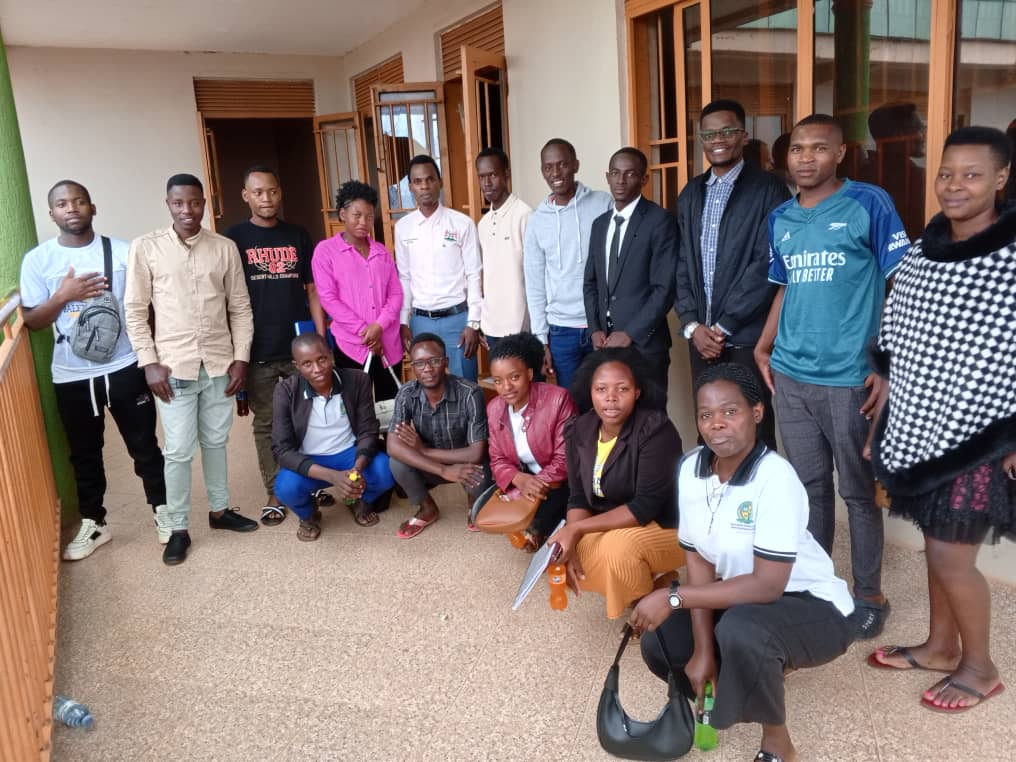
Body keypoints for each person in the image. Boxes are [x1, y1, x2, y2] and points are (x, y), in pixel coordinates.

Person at [633, 363, 854, 762]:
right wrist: (702, 650)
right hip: (744, 602)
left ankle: (777, 742)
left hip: (814, 606)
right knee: (661, 641)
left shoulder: (776, 479)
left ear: (757, 412)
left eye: (730, 411)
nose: (716, 424)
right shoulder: (690, 469)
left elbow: (767, 586)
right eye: (706, 414)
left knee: (742, 631)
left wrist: (675, 596)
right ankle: (716, 697)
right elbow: (698, 557)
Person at [865, 126, 1014, 713]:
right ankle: (941, 646)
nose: (954, 186)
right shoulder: (923, 254)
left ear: (1002, 178)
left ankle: (981, 667)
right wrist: (882, 427)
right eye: (947, 173)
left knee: (953, 556)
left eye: (972, 175)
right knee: (936, 547)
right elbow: (899, 343)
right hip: (920, 425)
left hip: (982, 437)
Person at [754, 114, 909, 638]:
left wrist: (887, 365)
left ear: (841, 153)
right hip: (791, 376)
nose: (805, 158)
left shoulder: (869, 203)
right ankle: (819, 585)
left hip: (849, 378)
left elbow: (902, 286)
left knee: (858, 494)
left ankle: (868, 594)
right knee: (810, 491)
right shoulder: (781, 218)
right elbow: (785, 286)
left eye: (819, 148)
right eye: (798, 148)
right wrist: (763, 344)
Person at [20, 180, 167, 560]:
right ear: (51, 212)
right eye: (62, 203)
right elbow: (34, 321)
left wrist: (150, 355)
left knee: (145, 446)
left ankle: (165, 512)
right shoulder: (38, 260)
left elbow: (144, 308)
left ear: (93, 208)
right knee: (85, 453)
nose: (71, 208)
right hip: (70, 374)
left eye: (79, 201)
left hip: (123, 364)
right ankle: (95, 523)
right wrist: (63, 296)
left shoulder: (121, 252)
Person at [124, 173, 257, 565]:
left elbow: (240, 307)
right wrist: (148, 363)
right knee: (179, 451)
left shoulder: (224, 248)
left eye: (195, 202)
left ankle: (220, 511)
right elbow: (134, 311)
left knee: (216, 442)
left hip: (219, 364)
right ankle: (178, 528)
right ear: (168, 204)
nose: (188, 210)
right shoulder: (146, 248)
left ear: (205, 202)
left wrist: (241, 358)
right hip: (172, 368)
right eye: (179, 203)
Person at [675, 99, 790, 451]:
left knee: (753, 424)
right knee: (710, 423)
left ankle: (756, 501)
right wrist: (693, 326)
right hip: (700, 340)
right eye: (709, 133)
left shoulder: (768, 189)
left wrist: (723, 326)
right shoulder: (691, 192)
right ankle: (715, 498)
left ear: (743, 135)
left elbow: (766, 266)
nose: (718, 139)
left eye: (727, 131)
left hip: (744, 337)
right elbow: (681, 263)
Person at [547, 347, 684, 619]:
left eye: (622, 389)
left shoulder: (656, 430)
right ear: (590, 392)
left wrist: (577, 529)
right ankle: (649, 587)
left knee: (615, 550)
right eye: (601, 389)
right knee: (565, 549)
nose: (610, 398)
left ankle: (646, 597)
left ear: (637, 392)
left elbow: (644, 507)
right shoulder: (578, 430)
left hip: (665, 524)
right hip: (610, 523)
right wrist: (573, 535)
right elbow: (577, 497)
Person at [224, 165, 325, 528]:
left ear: (280, 193)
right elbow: (228, 300)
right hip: (259, 348)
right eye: (258, 192)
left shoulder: (298, 234)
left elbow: (312, 290)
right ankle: (277, 488)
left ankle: (311, 479)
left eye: (272, 191)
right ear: (245, 195)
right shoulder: (233, 237)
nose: (266, 199)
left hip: (299, 344)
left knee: (309, 417)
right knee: (268, 422)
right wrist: (237, 354)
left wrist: (319, 336)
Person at [271, 333, 396, 540]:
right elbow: (281, 450)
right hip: (310, 460)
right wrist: (334, 478)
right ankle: (309, 514)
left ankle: (359, 499)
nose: (318, 369)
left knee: (387, 471)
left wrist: (357, 468)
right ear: (297, 366)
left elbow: (368, 431)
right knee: (285, 488)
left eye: (322, 359)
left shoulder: (358, 380)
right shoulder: (286, 391)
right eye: (307, 364)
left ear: (331, 355)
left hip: (350, 453)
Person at [585, 147, 676, 395]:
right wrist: (594, 329)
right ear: (607, 177)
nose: (621, 181)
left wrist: (630, 333)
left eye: (630, 174)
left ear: (644, 179)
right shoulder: (600, 224)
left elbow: (664, 289)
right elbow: (590, 283)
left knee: (650, 422)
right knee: (615, 418)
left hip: (644, 345)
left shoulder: (660, 221)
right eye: (615, 173)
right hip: (605, 344)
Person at [524, 138, 612, 389]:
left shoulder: (602, 204)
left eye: (562, 165)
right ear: (542, 171)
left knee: (607, 400)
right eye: (548, 167)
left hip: (600, 324)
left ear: (575, 165)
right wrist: (541, 339)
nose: (555, 173)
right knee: (572, 404)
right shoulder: (537, 221)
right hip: (561, 330)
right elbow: (535, 283)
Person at [386, 333, 493, 539]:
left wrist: (424, 450)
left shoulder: (470, 393)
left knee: (478, 473)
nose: (427, 369)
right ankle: (427, 508)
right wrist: (443, 470)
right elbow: (393, 446)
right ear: (413, 367)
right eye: (419, 363)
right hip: (434, 465)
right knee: (397, 462)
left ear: (446, 361)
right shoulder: (407, 394)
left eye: (434, 361)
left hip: (467, 464)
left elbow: (476, 453)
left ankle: (473, 504)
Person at [312, 180, 403, 401]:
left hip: (388, 343)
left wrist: (379, 326)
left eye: (369, 216)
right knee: (355, 407)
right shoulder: (326, 251)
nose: (364, 222)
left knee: (390, 406)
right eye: (357, 215)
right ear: (343, 214)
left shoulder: (382, 252)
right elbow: (328, 298)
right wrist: (365, 331)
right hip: (351, 346)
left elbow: (396, 294)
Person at [485, 332, 577, 550]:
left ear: (528, 373)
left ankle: (536, 528)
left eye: (514, 377)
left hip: (559, 481)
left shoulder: (558, 399)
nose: (506, 388)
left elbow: (564, 460)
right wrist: (519, 479)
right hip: (525, 477)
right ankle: (532, 525)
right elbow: (497, 459)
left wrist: (532, 485)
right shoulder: (495, 408)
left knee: (559, 499)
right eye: (498, 381)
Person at [395, 155, 482, 381]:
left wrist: (473, 322)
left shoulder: (462, 223)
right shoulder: (403, 228)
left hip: (458, 319)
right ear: (410, 186)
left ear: (439, 182)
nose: (424, 186)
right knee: (428, 386)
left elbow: (474, 274)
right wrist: (404, 321)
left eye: (430, 179)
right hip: (421, 321)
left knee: (466, 386)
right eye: (418, 181)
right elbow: (404, 277)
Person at [475, 147, 532, 354]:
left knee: (527, 385)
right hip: (492, 325)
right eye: (482, 177)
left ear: (506, 174)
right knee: (503, 386)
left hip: (521, 326)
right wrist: (482, 320)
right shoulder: (483, 224)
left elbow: (534, 274)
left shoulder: (525, 215)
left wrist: (530, 324)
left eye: (493, 175)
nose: (487, 183)